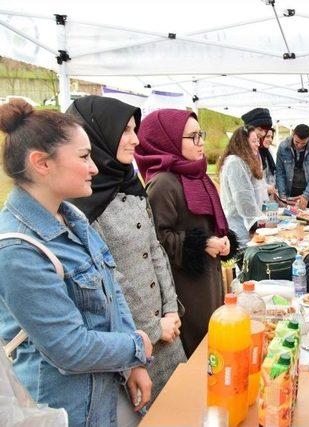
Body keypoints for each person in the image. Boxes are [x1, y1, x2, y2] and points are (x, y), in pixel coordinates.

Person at [0, 99, 153, 426]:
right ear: (42, 163)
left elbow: (112, 291)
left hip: (105, 396)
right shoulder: (18, 249)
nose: (94, 167)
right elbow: (70, 348)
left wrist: (133, 364)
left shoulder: (73, 218)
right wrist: (135, 346)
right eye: (84, 157)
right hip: (66, 411)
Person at [66, 96, 187, 403]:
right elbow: (107, 276)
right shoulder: (80, 201)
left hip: (166, 326)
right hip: (128, 338)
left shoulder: (130, 182)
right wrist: (152, 326)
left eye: (136, 129)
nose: (135, 139)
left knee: (179, 405)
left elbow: (155, 249)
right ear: (99, 134)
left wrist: (171, 309)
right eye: (126, 130)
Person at [134, 109, 237, 357]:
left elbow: (207, 225)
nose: (201, 142)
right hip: (186, 290)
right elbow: (156, 242)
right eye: (193, 137)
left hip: (207, 281)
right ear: (166, 139)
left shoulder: (196, 175)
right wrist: (201, 244)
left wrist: (223, 240)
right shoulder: (163, 184)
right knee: (198, 352)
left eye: (200, 134)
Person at [219, 126, 267, 249]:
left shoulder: (241, 161)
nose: (257, 144)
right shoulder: (235, 162)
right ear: (243, 143)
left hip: (244, 224)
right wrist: (255, 223)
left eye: (258, 140)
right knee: (244, 262)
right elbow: (242, 197)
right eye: (254, 141)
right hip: (240, 227)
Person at [275, 124, 309, 208]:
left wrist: (306, 195)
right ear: (293, 135)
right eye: (297, 142)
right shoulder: (283, 147)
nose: (299, 145)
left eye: (303, 143)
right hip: (290, 191)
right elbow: (280, 173)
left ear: (308, 138)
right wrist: (282, 196)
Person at [242, 108, 277, 198]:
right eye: (260, 129)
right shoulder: (240, 154)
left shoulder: (257, 152)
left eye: (265, 130)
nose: (262, 133)